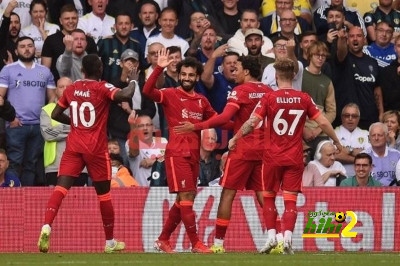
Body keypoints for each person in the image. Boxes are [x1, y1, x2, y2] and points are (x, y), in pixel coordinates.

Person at [228, 58, 342, 255]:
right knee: (290, 200)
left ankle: (272, 237)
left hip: (271, 157)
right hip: (294, 157)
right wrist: (337, 141)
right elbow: (323, 122)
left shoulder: (269, 98)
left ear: (275, 76)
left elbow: (252, 122)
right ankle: (288, 238)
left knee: (269, 198)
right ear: (294, 76)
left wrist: (236, 138)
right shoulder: (304, 98)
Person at [37, 54, 136, 253]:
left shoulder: (72, 88)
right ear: (100, 71)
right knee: (104, 195)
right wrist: (133, 79)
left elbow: (56, 114)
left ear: (82, 71)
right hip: (96, 150)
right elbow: (125, 94)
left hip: (73, 146)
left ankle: (47, 225)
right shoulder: (102, 87)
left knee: (60, 189)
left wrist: (74, 122)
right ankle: (109, 242)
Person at [173, 56, 272, 253]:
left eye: (238, 67)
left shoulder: (240, 91)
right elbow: (241, 122)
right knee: (264, 195)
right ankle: (276, 237)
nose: (234, 70)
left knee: (228, 193)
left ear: (246, 72)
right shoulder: (269, 92)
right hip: (264, 150)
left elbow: (226, 117)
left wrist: (198, 125)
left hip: (242, 149)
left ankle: (218, 244)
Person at [143, 49, 218, 253]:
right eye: (183, 74)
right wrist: (159, 67)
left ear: (197, 77)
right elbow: (148, 91)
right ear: (179, 75)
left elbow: (217, 120)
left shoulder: (202, 101)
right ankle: (196, 244)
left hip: (194, 156)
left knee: (183, 200)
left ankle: (163, 239)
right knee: (186, 198)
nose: (186, 78)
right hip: (177, 154)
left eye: (190, 75)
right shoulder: (170, 94)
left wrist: (240, 118)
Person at [0, 36, 56, 186]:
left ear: (34, 49)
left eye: (30, 46)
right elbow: (0, 97)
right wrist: (11, 118)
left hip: (38, 125)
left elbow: (52, 98)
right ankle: (12, 198)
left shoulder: (45, 71)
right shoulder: (8, 70)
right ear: (16, 50)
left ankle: (27, 200)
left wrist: (44, 119)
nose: (26, 49)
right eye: (22, 46)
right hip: (16, 125)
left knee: (31, 165)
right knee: (14, 163)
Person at [108, 48, 156, 167]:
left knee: (141, 167)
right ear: (121, 64)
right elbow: (111, 105)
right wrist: (124, 75)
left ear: (138, 64)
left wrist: (131, 111)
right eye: (127, 61)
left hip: (142, 135)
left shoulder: (145, 84)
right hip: (120, 135)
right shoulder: (113, 83)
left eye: (133, 61)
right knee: (122, 166)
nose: (130, 64)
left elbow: (151, 110)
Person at [40, 77, 89, 187]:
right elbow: (48, 134)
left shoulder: (84, 109)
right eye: (61, 87)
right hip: (55, 166)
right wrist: (74, 128)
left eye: (68, 87)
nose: (65, 89)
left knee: (80, 203)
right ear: (56, 90)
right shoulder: (47, 110)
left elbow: (87, 132)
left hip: (80, 166)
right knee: (56, 203)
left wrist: (59, 129)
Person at [333, 26, 383, 130]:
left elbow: (377, 89)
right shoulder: (344, 58)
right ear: (347, 40)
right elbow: (341, 51)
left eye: (359, 36)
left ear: (364, 40)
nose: (355, 39)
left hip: (370, 117)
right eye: (351, 36)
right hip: (348, 118)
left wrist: (381, 112)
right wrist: (341, 39)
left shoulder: (372, 62)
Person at [41, 4, 98, 82]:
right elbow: (45, 70)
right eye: (67, 18)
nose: (71, 21)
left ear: (78, 19)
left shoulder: (89, 40)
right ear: (61, 21)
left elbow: (95, 70)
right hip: (58, 88)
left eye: (74, 18)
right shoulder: (51, 40)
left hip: (85, 89)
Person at [302, 41, 336, 155]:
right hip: (301, 130)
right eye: (317, 55)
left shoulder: (327, 81)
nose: (320, 58)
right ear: (310, 56)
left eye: (323, 56)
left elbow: (332, 111)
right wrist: (303, 130)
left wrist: (318, 130)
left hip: (321, 133)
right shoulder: (299, 76)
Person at [97, 12, 140, 82]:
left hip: (129, 90)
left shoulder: (136, 45)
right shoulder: (104, 42)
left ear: (132, 26)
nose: (123, 27)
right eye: (120, 24)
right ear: (115, 26)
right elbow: (96, 67)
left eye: (127, 23)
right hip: (107, 89)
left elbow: (140, 70)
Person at [127, 113, 167, 187]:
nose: (145, 128)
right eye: (141, 126)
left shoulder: (163, 141)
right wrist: (132, 127)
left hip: (161, 190)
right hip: (140, 192)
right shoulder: (131, 142)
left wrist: (155, 161)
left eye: (148, 125)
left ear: (154, 128)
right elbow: (134, 153)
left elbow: (172, 158)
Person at [333, 103, 370, 177]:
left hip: (362, 177)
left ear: (358, 118)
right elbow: (335, 156)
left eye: (354, 116)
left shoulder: (366, 134)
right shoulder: (334, 133)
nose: (350, 119)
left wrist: (349, 150)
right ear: (342, 117)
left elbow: (369, 156)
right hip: (340, 176)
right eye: (347, 116)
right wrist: (359, 157)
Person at [363, 122, 400, 186]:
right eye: (373, 135)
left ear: (386, 137)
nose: (376, 138)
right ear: (369, 138)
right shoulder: (363, 156)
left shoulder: (397, 155)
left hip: (393, 193)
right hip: (371, 193)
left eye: (379, 135)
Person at [130, 0, 161, 67]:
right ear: (140, 15)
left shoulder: (162, 34)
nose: (147, 16)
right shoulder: (132, 34)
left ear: (156, 15)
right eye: (144, 13)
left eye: (151, 13)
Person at [379, 35, 400, 111]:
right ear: (395, 49)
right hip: (393, 115)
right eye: (399, 46)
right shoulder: (387, 71)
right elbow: (389, 99)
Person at [0, 0, 20, 70]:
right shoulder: (2, 43)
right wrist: (7, 14)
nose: (14, 25)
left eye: (16, 22)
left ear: (20, 25)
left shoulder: (25, 41)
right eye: (10, 23)